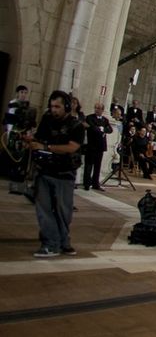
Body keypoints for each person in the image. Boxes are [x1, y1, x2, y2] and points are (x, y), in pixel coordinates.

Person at [26, 90, 85, 257]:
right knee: (43, 209)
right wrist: (31, 142)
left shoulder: (77, 126)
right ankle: (51, 244)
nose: (54, 110)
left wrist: (47, 148)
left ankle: (63, 242)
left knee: (63, 211)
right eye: (52, 106)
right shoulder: (47, 119)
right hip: (45, 170)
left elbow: (72, 147)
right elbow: (39, 138)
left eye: (57, 106)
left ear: (66, 106)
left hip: (64, 173)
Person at [82, 101, 113, 191]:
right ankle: (86, 184)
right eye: (96, 108)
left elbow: (110, 129)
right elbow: (92, 127)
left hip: (100, 145)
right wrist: (100, 129)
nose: (97, 110)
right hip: (91, 144)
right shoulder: (90, 117)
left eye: (99, 108)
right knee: (88, 165)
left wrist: (103, 129)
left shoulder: (105, 120)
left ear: (102, 110)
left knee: (97, 166)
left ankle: (95, 184)